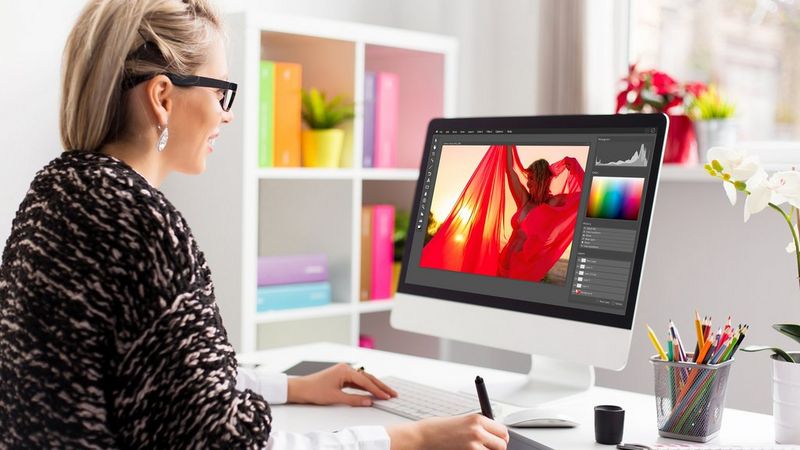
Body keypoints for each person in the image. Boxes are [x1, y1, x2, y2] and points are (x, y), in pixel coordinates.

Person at [0, 1, 509, 449]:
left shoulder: (56, 193)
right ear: (162, 97)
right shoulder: (142, 223)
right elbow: (226, 443)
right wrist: (412, 439)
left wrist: (292, 387)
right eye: (222, 91)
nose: (227, 115)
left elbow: (166, 373)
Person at [498, 147, 584, 282]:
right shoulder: (524, 200)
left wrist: (575, 167)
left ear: (542, 179)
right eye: (528, 178)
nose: (528, 183)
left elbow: (586, 196)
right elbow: (510, 170)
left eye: (532, 178)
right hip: (502, 265)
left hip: (522, 272)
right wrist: (508, 143)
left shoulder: (553, 203)